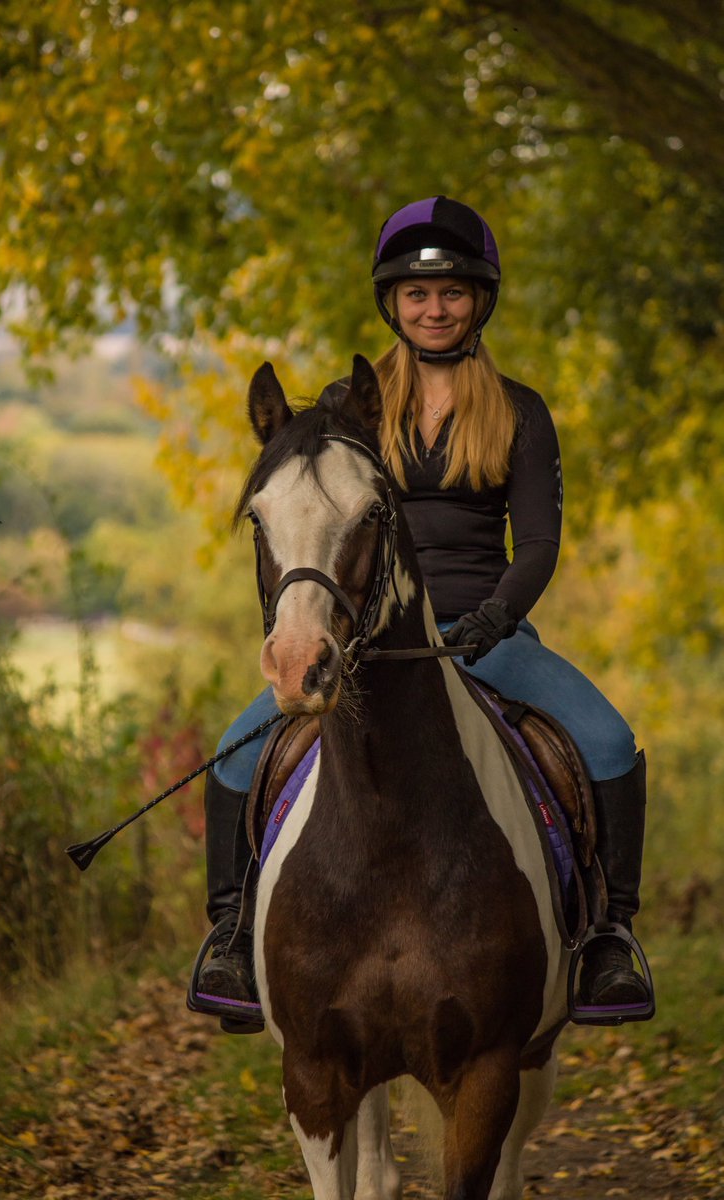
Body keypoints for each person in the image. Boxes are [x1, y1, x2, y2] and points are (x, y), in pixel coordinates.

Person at [189, 195, 651, 1031]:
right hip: (369, 636)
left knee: (610, 744)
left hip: (483, 628)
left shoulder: (520, 410)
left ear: (478, 302)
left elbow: (538, 546)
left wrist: (493, 619)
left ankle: (609, 941)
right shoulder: (347, 405)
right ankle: (232, 933)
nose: (432, 309)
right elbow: (310, 519)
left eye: (450, 294)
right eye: (414, 295)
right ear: (391, 306)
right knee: (231, 755)